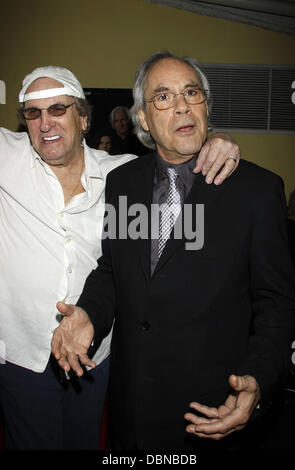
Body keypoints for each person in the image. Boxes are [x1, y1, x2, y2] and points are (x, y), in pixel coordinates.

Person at [52, 51, 295, 451]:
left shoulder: (256, 191)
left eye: (191, 92)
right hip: (131, 406)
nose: (182, 105)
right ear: (144, 120)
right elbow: (114, 270)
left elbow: (277, 303)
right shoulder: (122, 183)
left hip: (209, 409)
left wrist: (257, 377)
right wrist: (89, 314)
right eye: (163, 96)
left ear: (206, 105)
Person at [0, 64, 240, 450]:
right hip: (21, 354)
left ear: (82, 117)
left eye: (58, 109)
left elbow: (181, 165)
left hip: (97, 353)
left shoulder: (124, 176)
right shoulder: (5, 158)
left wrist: (219, 141)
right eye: (33, 113)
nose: (45, 123)